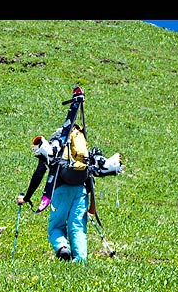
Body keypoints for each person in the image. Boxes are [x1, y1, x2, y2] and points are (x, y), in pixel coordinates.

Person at [16, 88, 123, 262]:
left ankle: (62, 248)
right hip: (80, 190)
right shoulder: (81, 139)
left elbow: (40, 171)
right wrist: (93, 203)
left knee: (56, 226)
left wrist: (27, 197)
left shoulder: (58, 138)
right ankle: (80, 260)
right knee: (78, 227)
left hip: (61, 189)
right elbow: (89, 171)